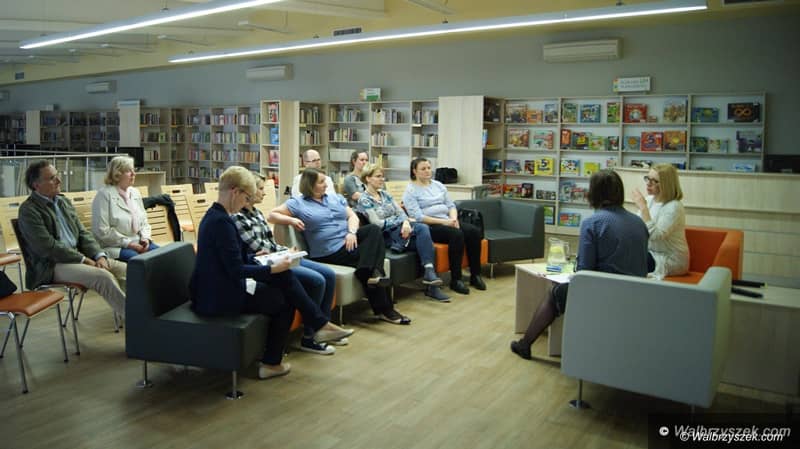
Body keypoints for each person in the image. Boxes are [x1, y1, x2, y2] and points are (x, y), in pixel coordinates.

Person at [191, 166, 353, 379]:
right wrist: (270, 268)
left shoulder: (217, 217)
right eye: (246, 197)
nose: (245, 202)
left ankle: (314, 328)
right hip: (217, 296)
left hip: (221, 287)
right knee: (282, 294)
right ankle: (304, 336)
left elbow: (232, 261)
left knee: (283, 281)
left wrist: (257, 258)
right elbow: (235, 270)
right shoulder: (222, 222)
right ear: (235, 192)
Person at [510, 170, 649, 360]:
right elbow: (648, 262)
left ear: (593, 193)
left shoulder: (592, 223)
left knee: (555, 293)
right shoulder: (639, 222)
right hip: (638, 295)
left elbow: (585, 272)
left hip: (606, 295)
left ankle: (525, 344)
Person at [270, 168, 411, 325]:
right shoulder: (297, 203)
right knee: (370, 260)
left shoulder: (334, 198)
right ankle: (384, 306)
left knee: (373, 230)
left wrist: (351, 232)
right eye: (321, 182)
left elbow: (352, 216)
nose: (326, 185)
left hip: (348, 241)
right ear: (310, 184)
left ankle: (370, 276)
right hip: (328, 251)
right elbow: (272, 215)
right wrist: (291, 220)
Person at [233, 173, 346, 355]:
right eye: (260, 189)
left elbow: (270, 242)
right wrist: (283, 252)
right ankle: (310, 336)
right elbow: (258, 247)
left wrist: (286, 249)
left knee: (329, 275)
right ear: (249, 191)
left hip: (278, 255)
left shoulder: (257, 213)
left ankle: (324, 330)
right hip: (267, 262)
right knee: (317, 281)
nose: (264, 193)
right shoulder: (239, 217)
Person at [17, 160, 126, 318]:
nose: (59, 180)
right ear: (36, 185)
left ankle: (140, 314)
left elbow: (83, 234)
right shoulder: (29, 210)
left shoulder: (63, 202)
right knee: (103, 277)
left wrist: (99, 256)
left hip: (77, 257)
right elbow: (48, 247)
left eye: (57, 175)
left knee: (129, 271)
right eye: (52, 178)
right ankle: (136, 323)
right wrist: (84, 260)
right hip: (51, 266)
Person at [357, 163, 450, 302]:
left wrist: (405, 222)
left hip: (400, 230)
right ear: (368, 178)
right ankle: (431, 282)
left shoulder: (385, 194)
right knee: (423, 235)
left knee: (423, 234)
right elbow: (377, 224)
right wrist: (400, 221)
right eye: (378, 176)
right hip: (385, 236)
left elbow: (401, 212)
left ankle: (430, 276)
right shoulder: (364, 199)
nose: (382, 179)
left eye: (383, 176)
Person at [402, 158, 485, 295]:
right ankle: (456, 279)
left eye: (429, 168)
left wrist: (453, 218)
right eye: (423, 169)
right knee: (456, 234)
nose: (427, 171)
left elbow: (451, 206)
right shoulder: (410, 191)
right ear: (414, 171)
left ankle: (475, 275)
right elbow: (418, 217)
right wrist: (445, 222)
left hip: (448, 220)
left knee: (474, 232)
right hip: (429, 225)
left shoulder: (438, 185)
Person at [91, 156, 159, 261]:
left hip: (138, 242)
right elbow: (102, 231)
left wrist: (145, 238)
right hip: (115, 246)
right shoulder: (104, 195)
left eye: (134, 170)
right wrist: (129, 244)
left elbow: (144, 222)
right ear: (117, 174)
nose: (134, 174)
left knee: (163, 256)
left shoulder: (135, 192)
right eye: (128, 171)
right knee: (141, 262)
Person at [632, 163, 690, 279]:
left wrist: (643, 209)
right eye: (648, 178)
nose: (648, 183)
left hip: (669, 259)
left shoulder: (674, 206)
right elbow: (637, 227)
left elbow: (656, 236)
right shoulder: (649, 200)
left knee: (630, 260)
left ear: (666, 184)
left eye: (654, 181)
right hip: (651, 253)